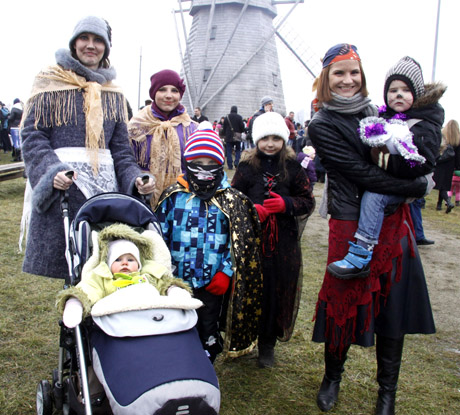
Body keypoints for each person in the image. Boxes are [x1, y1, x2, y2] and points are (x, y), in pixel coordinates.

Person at [308, 44, 437, 415]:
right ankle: (333, 376)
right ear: (326, 79)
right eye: (339, 73)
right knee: (343, 301)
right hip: (350, 220)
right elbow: (360, 173)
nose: (348, 80)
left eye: (354, 73)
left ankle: (387, 392)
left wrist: (418, 173)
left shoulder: (378, 112)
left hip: (393, 219)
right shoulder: (321, 124)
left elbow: (413, 150)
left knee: (392, 303)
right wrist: (416, 186)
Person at [20, 16, 155, 280]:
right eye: (84, 38)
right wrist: (52, 172)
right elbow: (33, 136)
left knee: (105, 272)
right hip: (65, 191)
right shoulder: (50, 84)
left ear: (106, 48)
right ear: (74, 43)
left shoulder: (114, 94)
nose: (90, 45)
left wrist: (135, 180)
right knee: (72, 274)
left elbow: (121, 152)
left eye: (98, 40)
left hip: (104, 199)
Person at [156, 122, 263, 362]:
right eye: (198, 162)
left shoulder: (232, 200)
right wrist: (164, 273)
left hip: (212, 281)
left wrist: (226, 272)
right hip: (177, 281)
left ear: (220, 163)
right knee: (177, 324)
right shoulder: (173, 197)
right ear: (187, 162)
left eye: (210, 163)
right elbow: (159, 238)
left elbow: (240, 244)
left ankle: (206, 361)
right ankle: (179, 363)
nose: (204, 168)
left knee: (208, 325)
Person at [328, 56, 442, 279]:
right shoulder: (383, 117)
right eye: (393, 90)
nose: (398, 95)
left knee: (375, 197)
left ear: (417, 94)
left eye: (406, 90)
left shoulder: (424, 124)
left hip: (407, 180)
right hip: (393, 179)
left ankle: (362, 252)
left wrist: (387, 163)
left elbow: (424, 162)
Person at [231, 111, 315, 368]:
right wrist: (251, 209)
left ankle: (268, 345)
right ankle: (246, 337)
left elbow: (307, 201)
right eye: (265, 138)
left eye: (276, 138)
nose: (270, 144)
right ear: (256, 139)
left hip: (283, 244)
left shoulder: (292, 168)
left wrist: (286, 204)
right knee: (252, 288)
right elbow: (233, 198)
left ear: (284, 140)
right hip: (252, 240)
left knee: (276, 290)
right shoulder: (246, 167)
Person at [56, 223, 194, 328]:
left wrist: (174, 290)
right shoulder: (103, 278)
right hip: (117, 324)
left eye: (130, 260)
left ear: (139, 263)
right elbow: (88, 290)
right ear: (108, 263)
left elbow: (165, 284)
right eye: (118, 260)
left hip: (152, 321)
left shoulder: (148, 275)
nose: (125, 263)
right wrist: (75, 302)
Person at [128, 69, 197, 207]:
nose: (169, 95)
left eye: (174, 90)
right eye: (162, 89)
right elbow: (127, 162)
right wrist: (139, 181)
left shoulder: (192, 129)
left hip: (182, 201)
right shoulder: (136, 127)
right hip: (143, 201)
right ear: (154, 93)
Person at [434, 119, 459, 213]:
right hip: (450, 166)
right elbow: (458, 156)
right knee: (443, 186)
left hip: (440, 163)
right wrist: (457, 167)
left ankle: (422, 203)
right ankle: (440, 204)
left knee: (433, 183)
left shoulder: (443, 136)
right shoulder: (457, 140)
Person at [222, 105, 245, 169]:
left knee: (229, 151)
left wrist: (225, 134)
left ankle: (230, 165)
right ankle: (236, 162)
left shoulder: (227, 117)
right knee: (238, 149)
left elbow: (224, 127)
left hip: (228, 136)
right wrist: (241, 131)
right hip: (237, 136)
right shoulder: (239, 117)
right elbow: (242, 127)